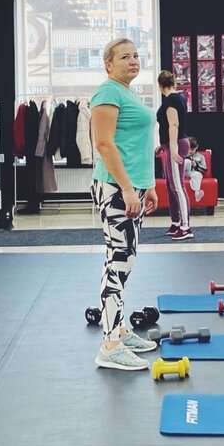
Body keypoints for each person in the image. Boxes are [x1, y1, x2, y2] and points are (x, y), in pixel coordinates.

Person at [90, 39, 159, 372]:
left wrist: (149, 186)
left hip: (133, 187)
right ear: (108, 64)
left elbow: (138, 144)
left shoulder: (128, 92)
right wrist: (129, 190)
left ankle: (118, 330)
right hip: (117, 188)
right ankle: (110, 345)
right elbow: (104, 144)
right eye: (124, 57)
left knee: (125, 262)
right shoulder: (108, 92)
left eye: (135, 55)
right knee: (118, 262)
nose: (133, 61)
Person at [155, 70, 193, 241]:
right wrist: (162, 146)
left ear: (160, 85)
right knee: (171, 186)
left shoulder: (172, 100)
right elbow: (168, 126)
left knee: (178, 186)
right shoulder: (178, 98)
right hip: (171, 145)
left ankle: (185, 227)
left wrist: (173, 148)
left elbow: (174, 125)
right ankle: (176, 222)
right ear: (174, 83)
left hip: (176, 144)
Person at [185, 136, 207, 203]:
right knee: (187, 162)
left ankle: (197, 194)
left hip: (192, 173)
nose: (190, 151)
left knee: (198, 175)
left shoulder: (201, 157)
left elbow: (204, 170)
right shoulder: (182, 154)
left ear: (196, 147)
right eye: (188, 148)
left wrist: (196, 165)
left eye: (192, 149)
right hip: (183, 172)